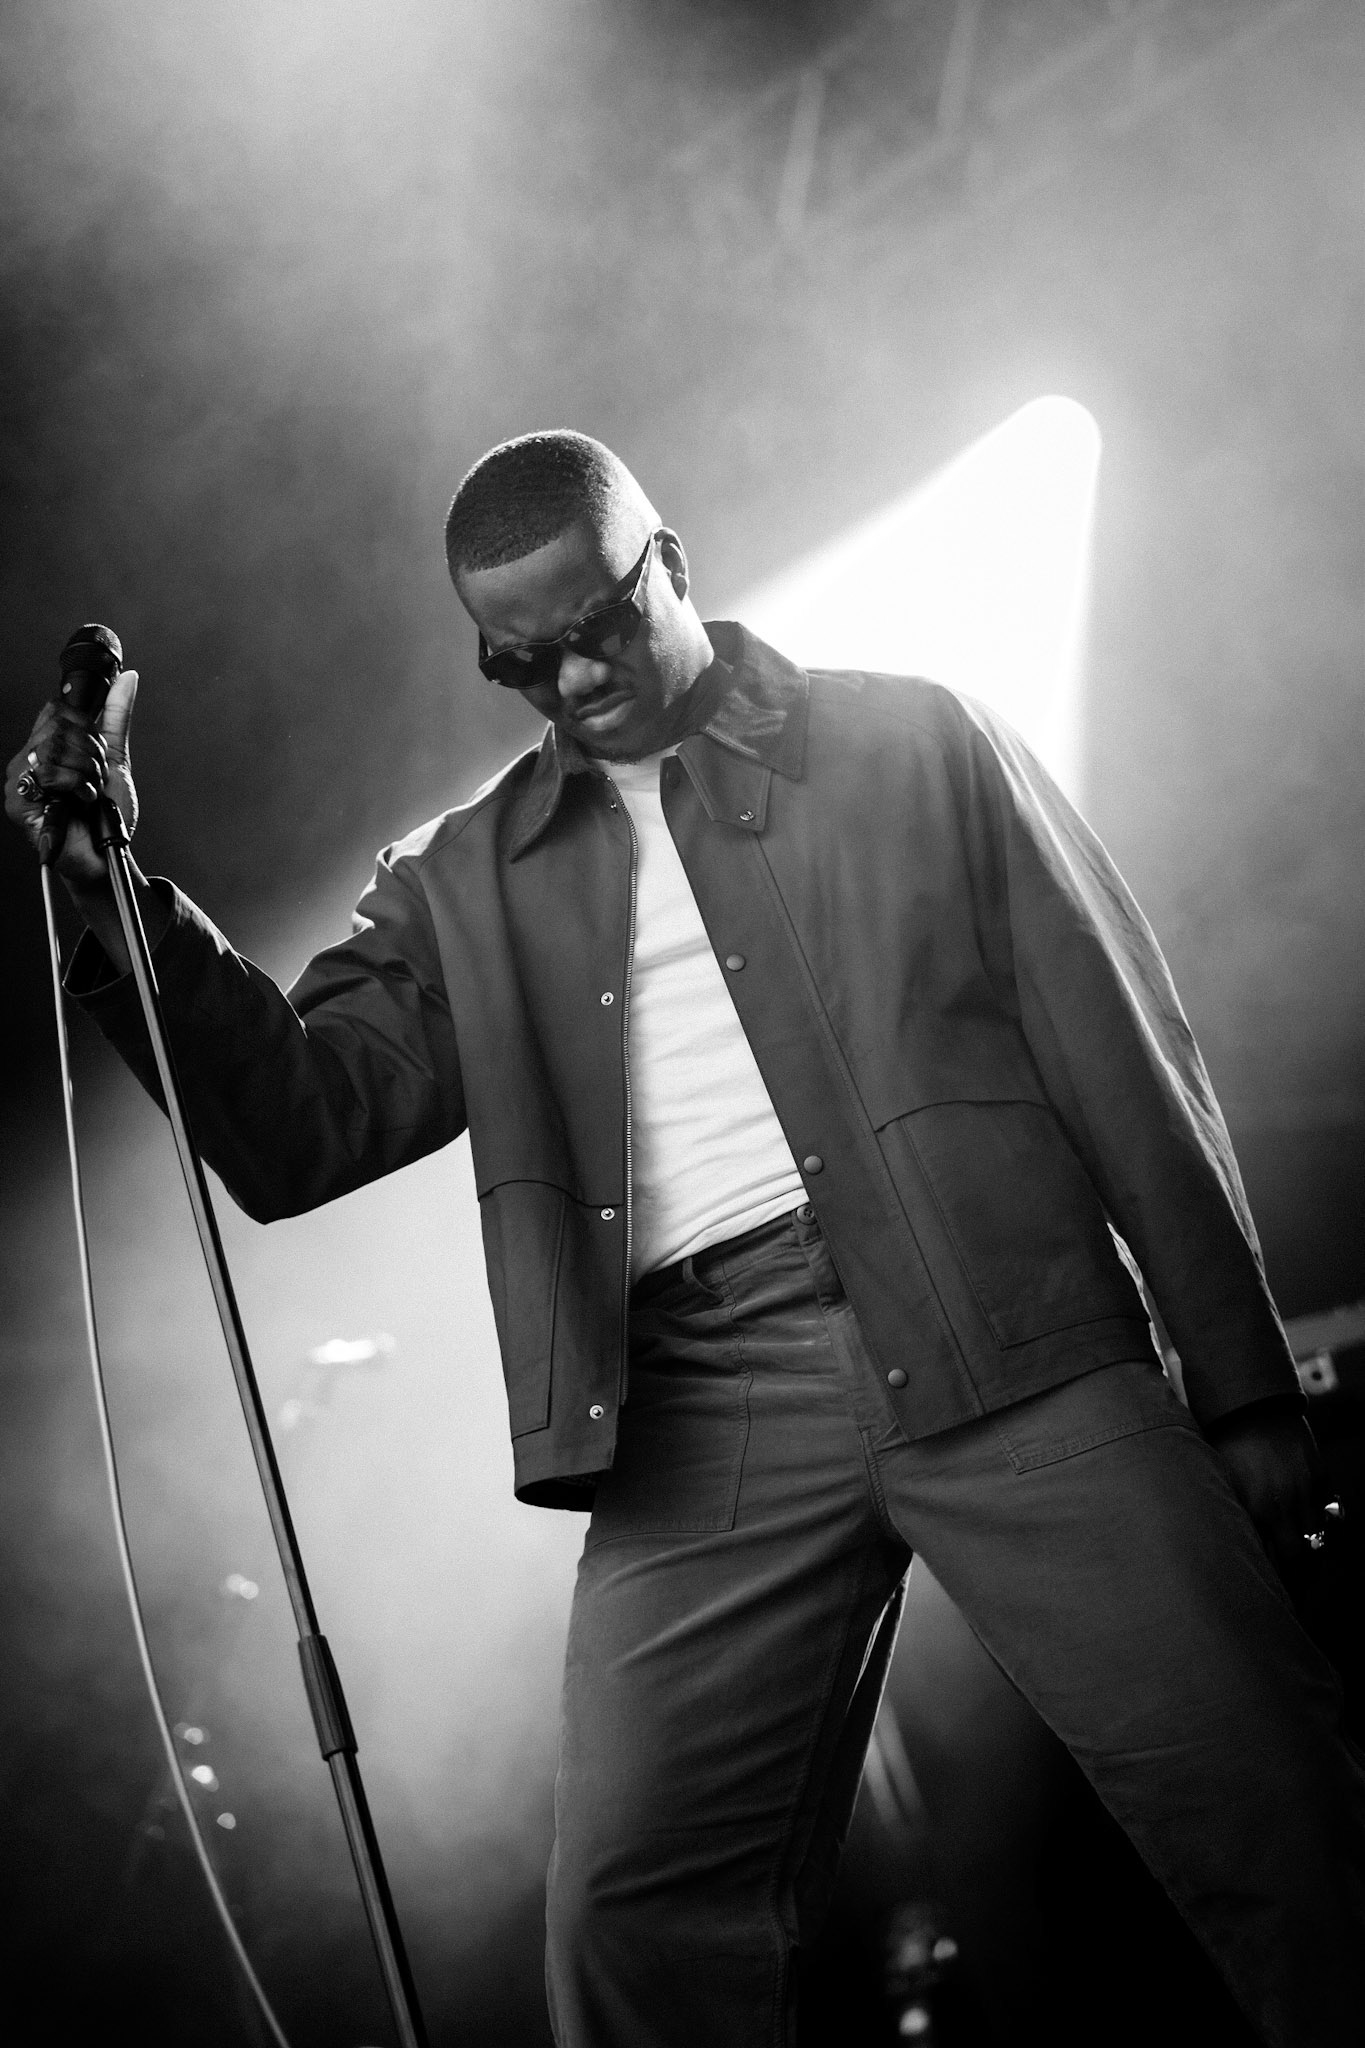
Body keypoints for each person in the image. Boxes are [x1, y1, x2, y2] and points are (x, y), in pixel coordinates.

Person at [7, 430, 1362, 2047]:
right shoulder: (465, 879)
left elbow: (1121, 1053)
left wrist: (1242, 1379)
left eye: (592, 626)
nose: (567, 678)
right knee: (634, 1923)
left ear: (672, 563)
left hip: (1010, 1328)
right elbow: (300, 1128)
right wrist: (121, 898)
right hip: (701, 1405)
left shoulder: (915, 741)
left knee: (1277, 1816)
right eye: (519, 660)